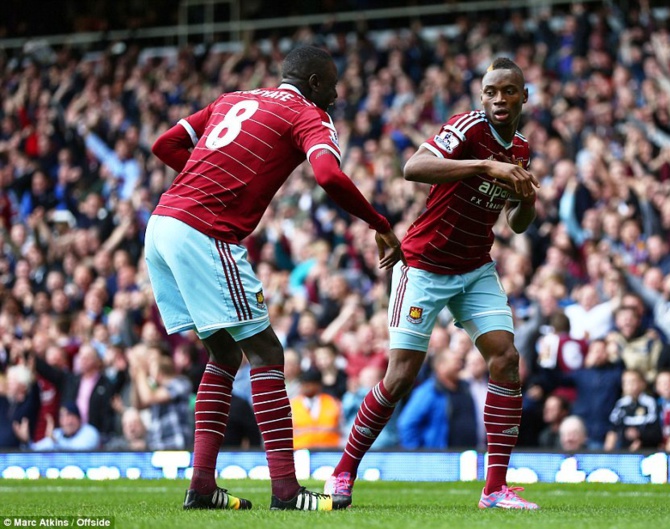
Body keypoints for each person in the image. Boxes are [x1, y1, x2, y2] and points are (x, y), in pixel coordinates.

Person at [145, 45, 402, 512]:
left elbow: (164, 145)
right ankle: (286, 490)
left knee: (223, 352)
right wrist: (380, 223)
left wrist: (207, 178)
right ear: (316, 83)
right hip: (203, 231)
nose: (338, 93)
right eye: (334, 84)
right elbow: (327, 175)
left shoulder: (230, 98)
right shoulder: (309, 115)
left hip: (161, 224)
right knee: (266, 351)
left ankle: (201, 487)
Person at [325, 58, 540, 510]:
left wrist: (526, 199)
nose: (499, 99)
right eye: (490, 91)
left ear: (524, 96)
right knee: (400, 376)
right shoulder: (467, 129)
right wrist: (487, 167)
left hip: (475, 267)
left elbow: (517, 224)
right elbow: (413, 167)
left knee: (505, 358)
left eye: (508, 91)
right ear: (482, 97)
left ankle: (495, 489)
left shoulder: (520, 148)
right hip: (423, 265)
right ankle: (343, 471)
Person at [289, 368, 342, 449]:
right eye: (303, 384)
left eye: (309, 384)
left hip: (330, 453)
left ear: (318, 385)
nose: (305, 387)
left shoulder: (333, 403)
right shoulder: (292, 405)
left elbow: (342, 429)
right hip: (300, 453)